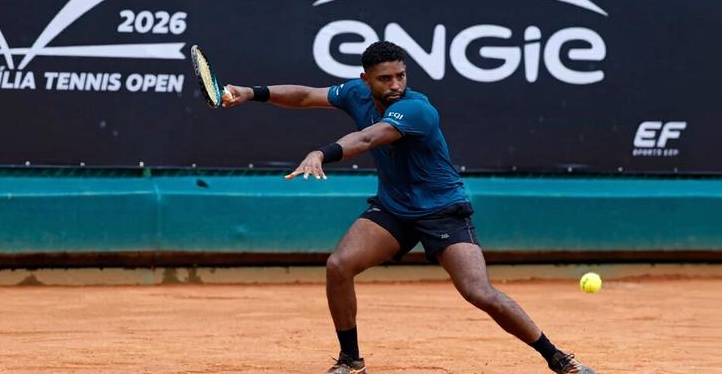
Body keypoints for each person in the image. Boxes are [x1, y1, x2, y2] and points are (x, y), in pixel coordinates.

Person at [222, 41, 596, 374]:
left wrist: (322, 152)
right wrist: (249, 92)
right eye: (385, 79)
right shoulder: (354, 93)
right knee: (339, 266)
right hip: (394, 209)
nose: (395, 85)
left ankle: (557, 358)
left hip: (442, 210)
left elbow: (370, 137)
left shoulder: (417, 109)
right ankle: (351, 361)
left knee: (479, 293)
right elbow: (305, 96)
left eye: (400, 76)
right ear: (365, 79)